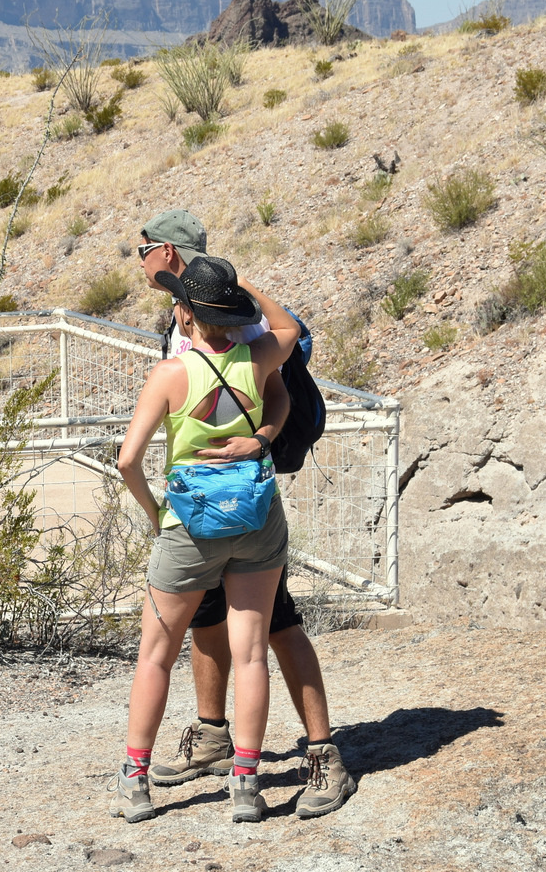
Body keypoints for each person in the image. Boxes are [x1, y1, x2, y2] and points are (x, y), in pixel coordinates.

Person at [135, 210, 355, 819]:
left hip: (239, 505)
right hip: (197, 509)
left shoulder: (231, 315)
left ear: (170, 254)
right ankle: (212, 735)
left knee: (276, 626)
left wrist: (228, 283)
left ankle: (322, 754)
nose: (140, 259)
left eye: (145, 249)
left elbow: (283, 350)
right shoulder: (181, 320)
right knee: (208, 620)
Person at [110, 251, 300, 824]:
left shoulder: (170, 374)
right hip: (255, 517)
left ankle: (137, 780)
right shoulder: (258, 357)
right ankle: (246, 783)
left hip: (189, 525)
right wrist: (238, 283)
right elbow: (289, 325)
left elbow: (127, 461)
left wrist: (155, 512)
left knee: (156, 656)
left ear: (187, 316)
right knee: (250, 655)